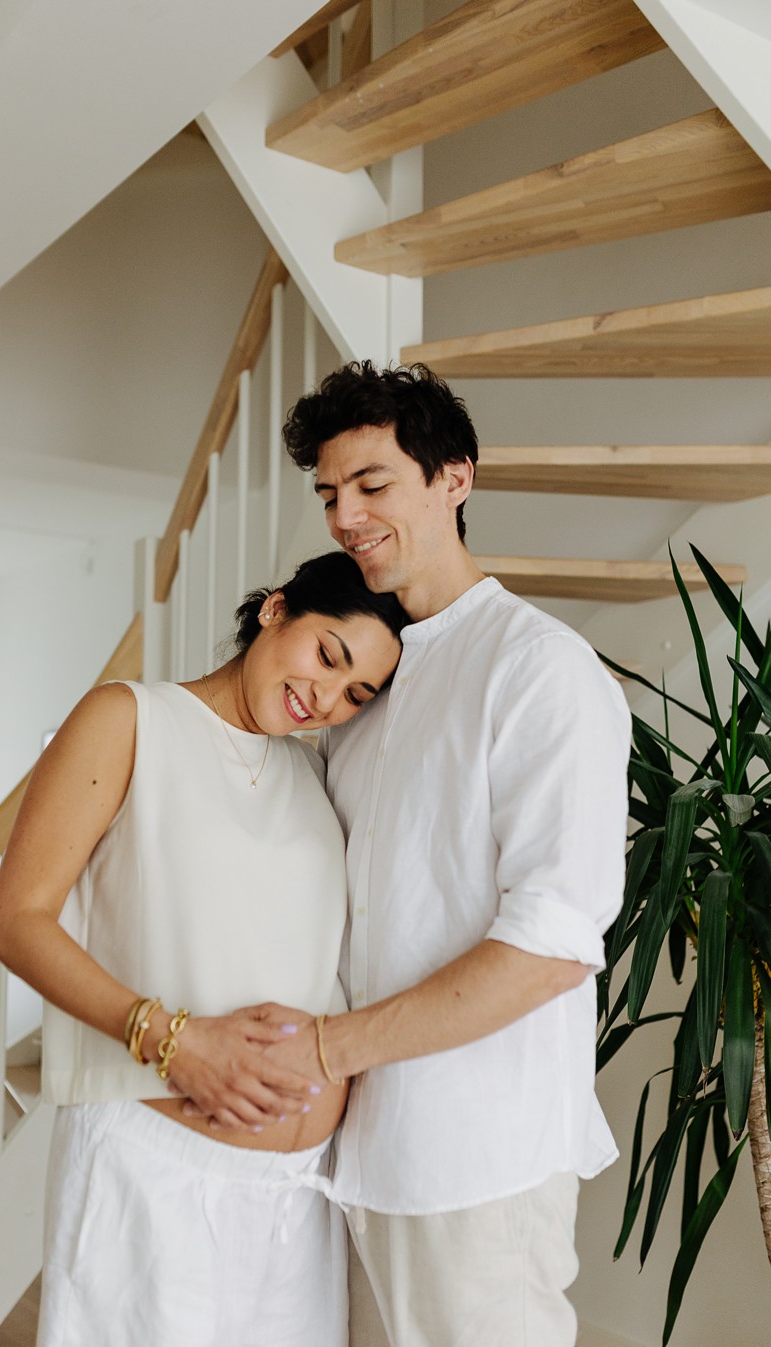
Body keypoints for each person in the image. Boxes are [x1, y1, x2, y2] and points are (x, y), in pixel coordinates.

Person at [197, 363, 629, 1346]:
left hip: (479, 1155)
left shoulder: (540, 668)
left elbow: (555, 942)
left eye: (373, 485)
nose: (345, 514)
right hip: (361, 1142)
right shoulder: (369, 685)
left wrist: (322, 1049)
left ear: (455, 481)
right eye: (329, 492)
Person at [0, 550, 410, 1347]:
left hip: (295, 1196)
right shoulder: (128, 717)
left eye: (356, 693)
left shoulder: (316, 772)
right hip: (153, 1168)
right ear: (276, 609)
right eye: (327, 654)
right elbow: (14, 920)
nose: (325, 697)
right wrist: (173, 1039)